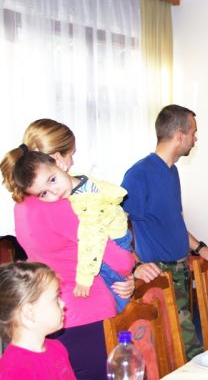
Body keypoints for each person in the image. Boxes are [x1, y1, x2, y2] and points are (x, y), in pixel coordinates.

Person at [0, 119, 134, 380]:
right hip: (88, 311)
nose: (72, 163)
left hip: (51, 313)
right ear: (57, 158)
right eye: (71, 155)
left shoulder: (21, 204)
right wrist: (129, 265)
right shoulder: (64, 207)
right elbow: (119, 262)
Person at [121, 104, 208, 360]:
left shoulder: (172, 172)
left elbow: (174, 223)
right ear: (179, 135)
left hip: (180, 268)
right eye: (193, 133)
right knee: (185, 348)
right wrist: (135, 265)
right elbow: (116, 229)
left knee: (178, 348)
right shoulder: (139, 174)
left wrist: (199, 248)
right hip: (158, 273)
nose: (195, 139)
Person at [6, 149, 132, 312]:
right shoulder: (73, 197)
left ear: (59, 163)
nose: (55, 191)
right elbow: (118, 260)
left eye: (52, 180)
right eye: (44, 193)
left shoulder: (21, 208)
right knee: (124, 302)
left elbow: (93, 237)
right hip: (88, 302)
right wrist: (129, 270)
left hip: (58, 300)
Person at [0, 262, 75, 379]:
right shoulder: (14, 371)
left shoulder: (57, 348)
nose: (63, 303)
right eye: (56, 298)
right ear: (29, 313)